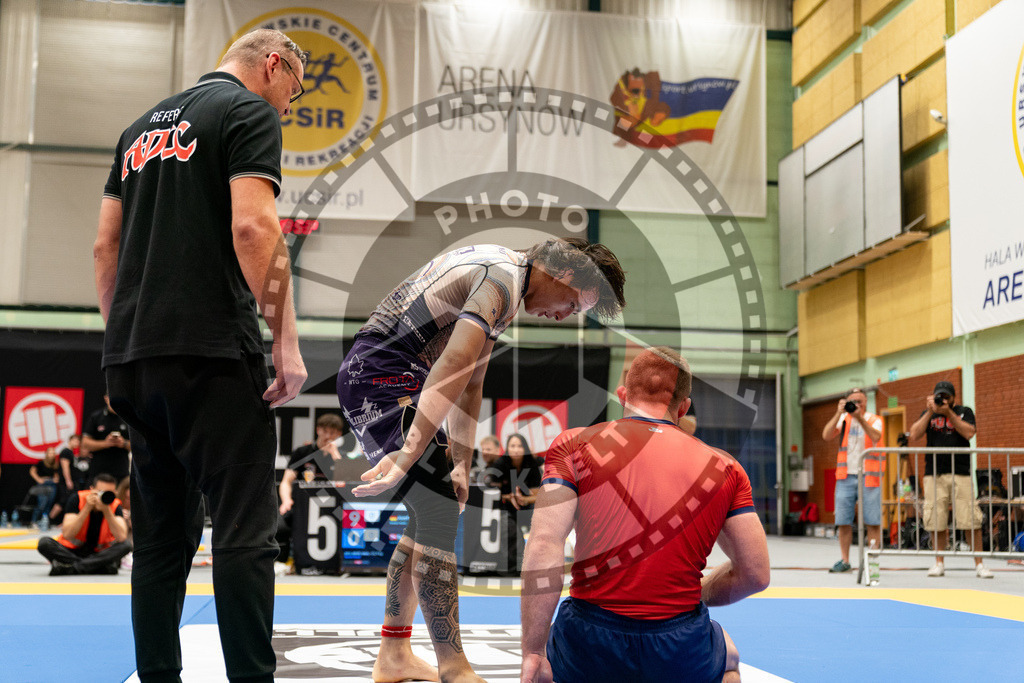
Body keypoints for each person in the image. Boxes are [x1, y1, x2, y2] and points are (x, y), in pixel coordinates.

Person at [93, 28, 308, 682]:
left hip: (134, 357)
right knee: (246, 526)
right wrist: (287, 340)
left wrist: (119, 344)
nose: (286, 110)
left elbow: (106, 247)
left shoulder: (137, 131)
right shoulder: (246, 111)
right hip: (210, 352)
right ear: (272, 65)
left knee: (160, 540)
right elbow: (254, 225)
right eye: (291, 94)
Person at [338, 237, 626, 683]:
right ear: (564, 275)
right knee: (436, 514)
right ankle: (453, 666)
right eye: (572, 304)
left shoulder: (506, 279)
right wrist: (411, 451)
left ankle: (394, 652)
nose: (565, 316)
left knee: (425, 516)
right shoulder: (502, 279)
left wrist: (460, 463)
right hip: (383, 375)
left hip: (391, 373)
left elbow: (470, 380)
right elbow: (453, 359)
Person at [519, 347, 769, 683]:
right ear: (683, 407)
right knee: (729, 656)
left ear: (623, 395)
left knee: (543, 669)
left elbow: (544, 543)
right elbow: (756, 574)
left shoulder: (573, 444)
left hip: (590, 645)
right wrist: (701, 592)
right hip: (678, 648)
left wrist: (532, 652)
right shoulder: (725, 468)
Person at [908, 381, 991, 578]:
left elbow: (969, 433)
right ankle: (939, 562)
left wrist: (948, 414)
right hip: (934, 474)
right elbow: (914, 434)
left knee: (970, 519)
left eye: (946, 396)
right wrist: (930, 412)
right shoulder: (928, 413)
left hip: (960, 473)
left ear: (953, 397)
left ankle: (979, 564)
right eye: (939, 396)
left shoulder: (964, 411)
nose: (943, 400)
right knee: (936, 520)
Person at [820, 388, 883, 573]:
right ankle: (845, 561)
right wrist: (839, 412)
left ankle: (872, 565)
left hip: (869, 477)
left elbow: (876, 437)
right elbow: (826, 435)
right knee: (843, 520)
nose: (856, 404)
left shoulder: (874, 419)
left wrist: (860, 418)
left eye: (859, 401)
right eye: (852, 401)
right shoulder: (843, 419)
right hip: (846, 476)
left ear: (866, 403)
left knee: (872, 521)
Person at [277, 412, 346, 567]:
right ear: (318, 430)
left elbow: (345, 483)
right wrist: (286, 501)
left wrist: (334, 454)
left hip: (333, 509)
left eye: (333, 433)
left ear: (339, 434)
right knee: (279, 526)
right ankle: (283, 562)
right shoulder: (302, 452)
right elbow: (286, 482)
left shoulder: (341, 456)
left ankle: (340, 564)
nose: (328, 436)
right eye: (326, 431)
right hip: (302, 507)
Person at [37, 474, 132, 576]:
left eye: (108, 493)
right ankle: (95, 567)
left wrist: (107, 510)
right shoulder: (77, 499)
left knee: (125, 545)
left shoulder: (115, 505)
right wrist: (87, 508)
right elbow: (67, 534)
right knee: (44, 543)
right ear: (92, 489)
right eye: (100, 492)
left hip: (99, 553)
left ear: (115, 493)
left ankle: (72, 568)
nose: (103, 496)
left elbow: (121, 537)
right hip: (72, 551)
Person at [489, 433, 543, 572]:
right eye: (512, 446)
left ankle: (539, 563)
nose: (516, 449)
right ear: (507, 448)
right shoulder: (500, 464)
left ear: (525, 448)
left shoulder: (532, 464)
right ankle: (515, 567)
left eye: (519, 446)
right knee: (509, 527)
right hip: (505, 506)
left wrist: (524, 499)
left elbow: (538, 495)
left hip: (528, 505)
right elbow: (492, 492)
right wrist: (508, 497)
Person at [81, 394, 132, 487]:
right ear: (106, 398)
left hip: (121, 471)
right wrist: (105, 443)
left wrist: (123, 443)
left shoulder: (128, 418)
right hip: (98, 471)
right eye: (112, 397)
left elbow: (138, 445)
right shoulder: (96, 417)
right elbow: (85, 443)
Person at [28, 447, 61, 528]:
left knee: (49, 503)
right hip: (43, 484)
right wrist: (38, 479)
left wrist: (56, 479)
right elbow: (32, 471)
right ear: (46, 454)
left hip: (52, 484)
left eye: (53, 453)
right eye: (50, 453)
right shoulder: (41, 463)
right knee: (42, 503)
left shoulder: (55, 464)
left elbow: (56, 475)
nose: (52, 455)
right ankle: (34, 521)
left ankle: (43, 521)